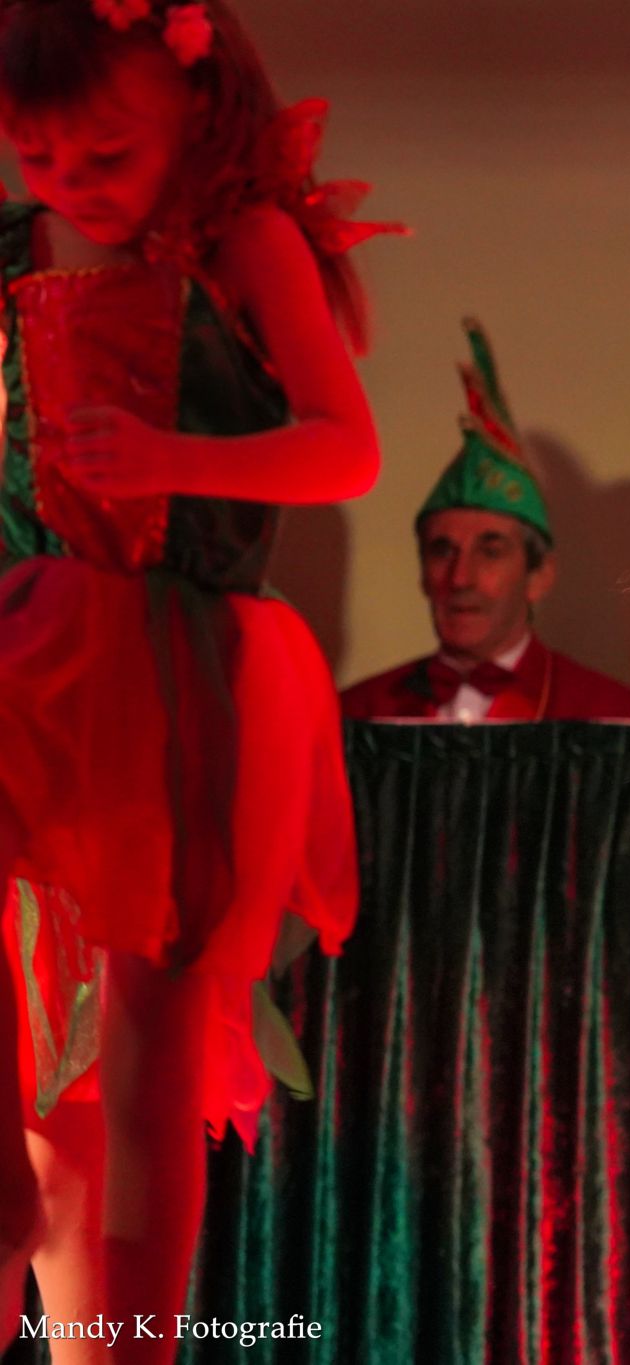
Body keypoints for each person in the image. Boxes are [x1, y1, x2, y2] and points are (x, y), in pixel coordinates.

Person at [0, 0, 396, 1356]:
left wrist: (175, 460)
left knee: (154, 1036)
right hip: (34, 638)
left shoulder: (240, 241)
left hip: (182, 661)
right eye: (36, 155)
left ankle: (134, 1334)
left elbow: (345, 448)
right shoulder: (18, 250)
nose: (72, 183)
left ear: (196, 99)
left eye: (105, 153)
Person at [341, 319, 630, 722]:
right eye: (442, 551)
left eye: (490, 551)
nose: (460, 579)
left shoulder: (610, 715)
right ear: (421, 573)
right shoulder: (357, 713)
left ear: (540, 575)